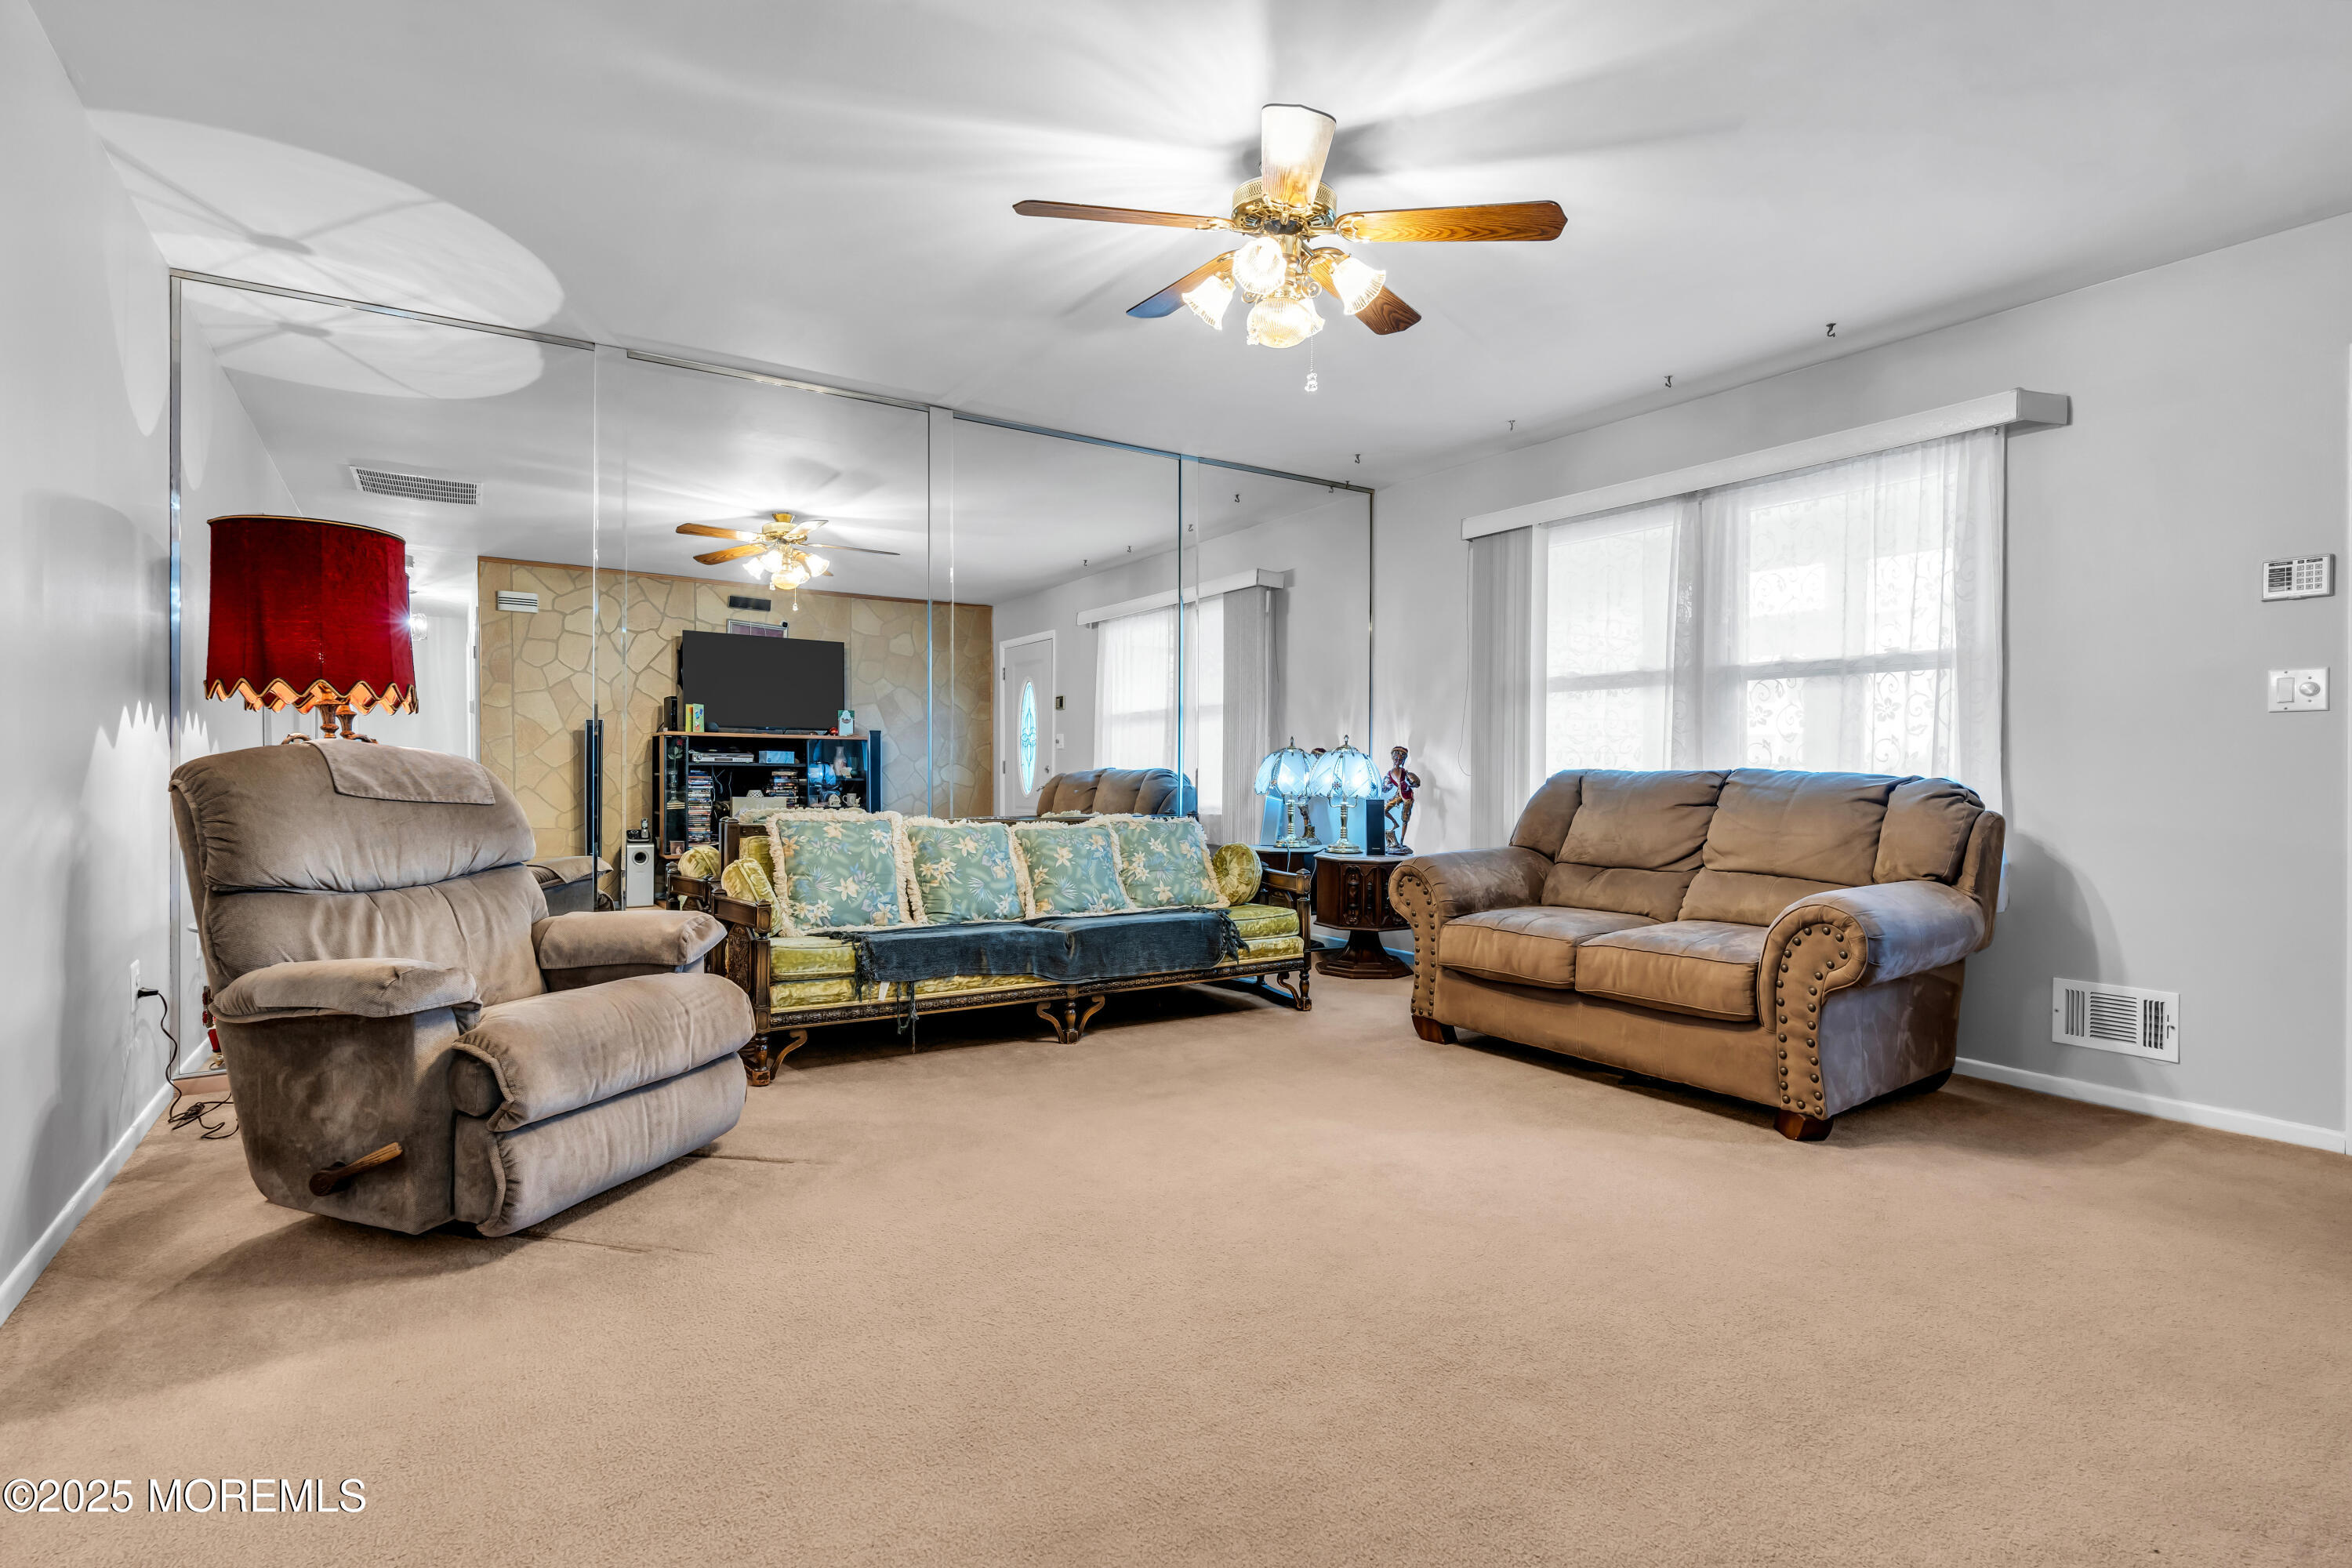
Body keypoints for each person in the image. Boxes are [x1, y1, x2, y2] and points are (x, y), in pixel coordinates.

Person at [1383, 745, 1421, 851]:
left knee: (1405, 819)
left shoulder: (1405, 773)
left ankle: (1401, 842)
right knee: (1384, 809)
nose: (1398, 761)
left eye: (1400, 759)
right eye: (1396, 758)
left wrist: (1411, 782)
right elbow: (1385, 788)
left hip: (1408, 796)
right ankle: (1395, 823)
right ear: (1393, 758)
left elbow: (1417, 783)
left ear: (1403, 760)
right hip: (1398, 795)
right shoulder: (1390, 774)